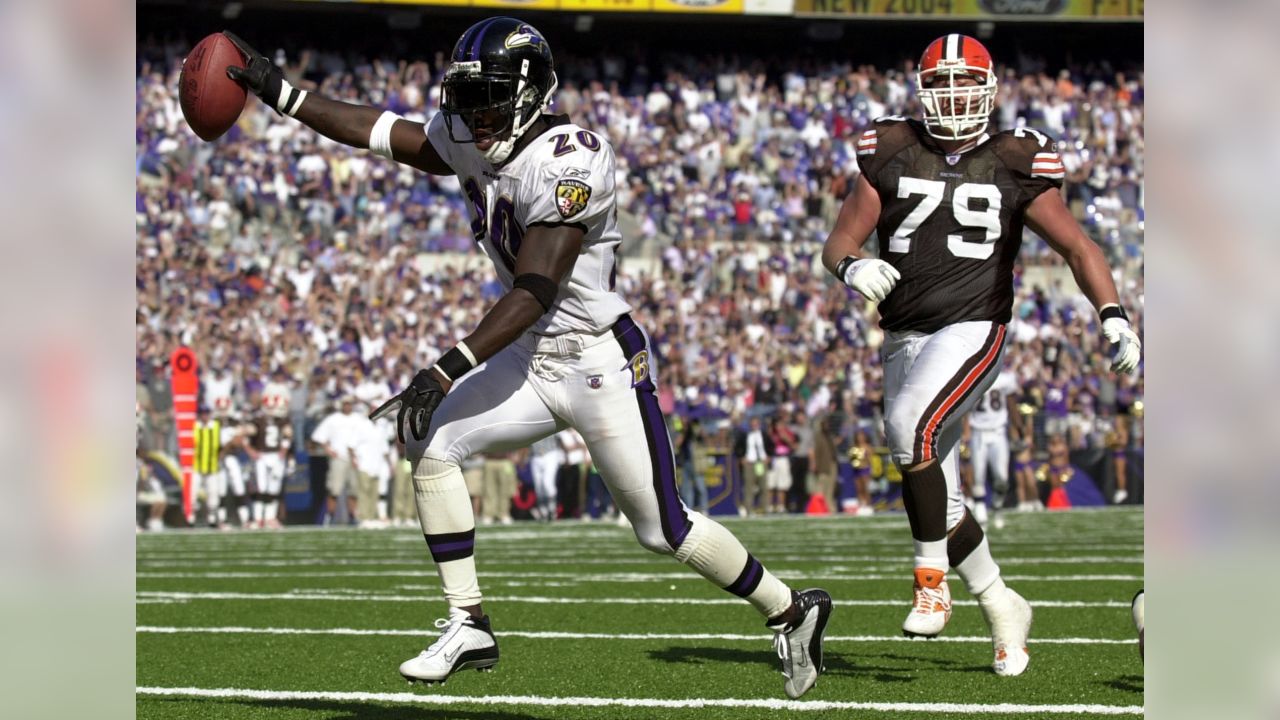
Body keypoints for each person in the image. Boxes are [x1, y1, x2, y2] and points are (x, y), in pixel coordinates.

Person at [222, 19, 831, 697]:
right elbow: (382, 130)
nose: (474, 115)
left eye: (490, 96)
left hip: (597, 359)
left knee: (664, 530)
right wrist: (282, 93)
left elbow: (537, 286)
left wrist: (447, 364)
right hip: (529, 358)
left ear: (533, 91)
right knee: (429, 441)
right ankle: (468, 620)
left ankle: (790, 608)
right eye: (468, 97)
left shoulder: (573, 156)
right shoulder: (472, 135)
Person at [822, 34, 1141, 677]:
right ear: (921, 91)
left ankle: (930, 581)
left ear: (989, 90)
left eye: (965, 83)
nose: (953, 96)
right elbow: (839, 241)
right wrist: (852, 268)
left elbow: (1078, 246)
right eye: (941, 85)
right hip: (905, 337)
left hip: (975, 328)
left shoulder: (1015, 158)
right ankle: (1002, 603)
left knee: (910, 430)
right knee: (941, 488)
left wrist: (1112, 314)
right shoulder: (890, 148)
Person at [968, 365, 1019, 530]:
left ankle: (997, 506)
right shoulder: (972, 375)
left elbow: (1011, 405)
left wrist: (1019, 428)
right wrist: (964, 431)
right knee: (978, 476)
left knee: (1002, 478)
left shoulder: (1005, 378)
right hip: (978, 432)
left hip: (998, 432)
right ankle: (981, 516)